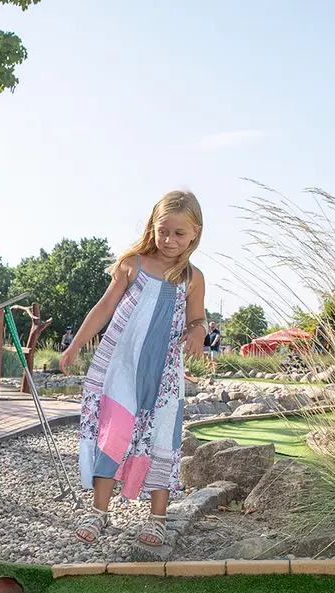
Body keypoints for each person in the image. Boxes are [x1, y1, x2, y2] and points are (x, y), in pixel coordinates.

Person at [59, 190, 207, 548]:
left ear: (195, 234)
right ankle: (99, 511)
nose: (170, 240)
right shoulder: (133, 264)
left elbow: (198, 318)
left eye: (179, 234)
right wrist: (76, 344)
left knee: (161, 437)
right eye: (163, 231)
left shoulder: (192, 277)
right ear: (152, 227)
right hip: (123, 369)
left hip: (164, 375)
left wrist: (198, 331)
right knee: (116, 432)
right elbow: (104, 307)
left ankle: (157, 519)